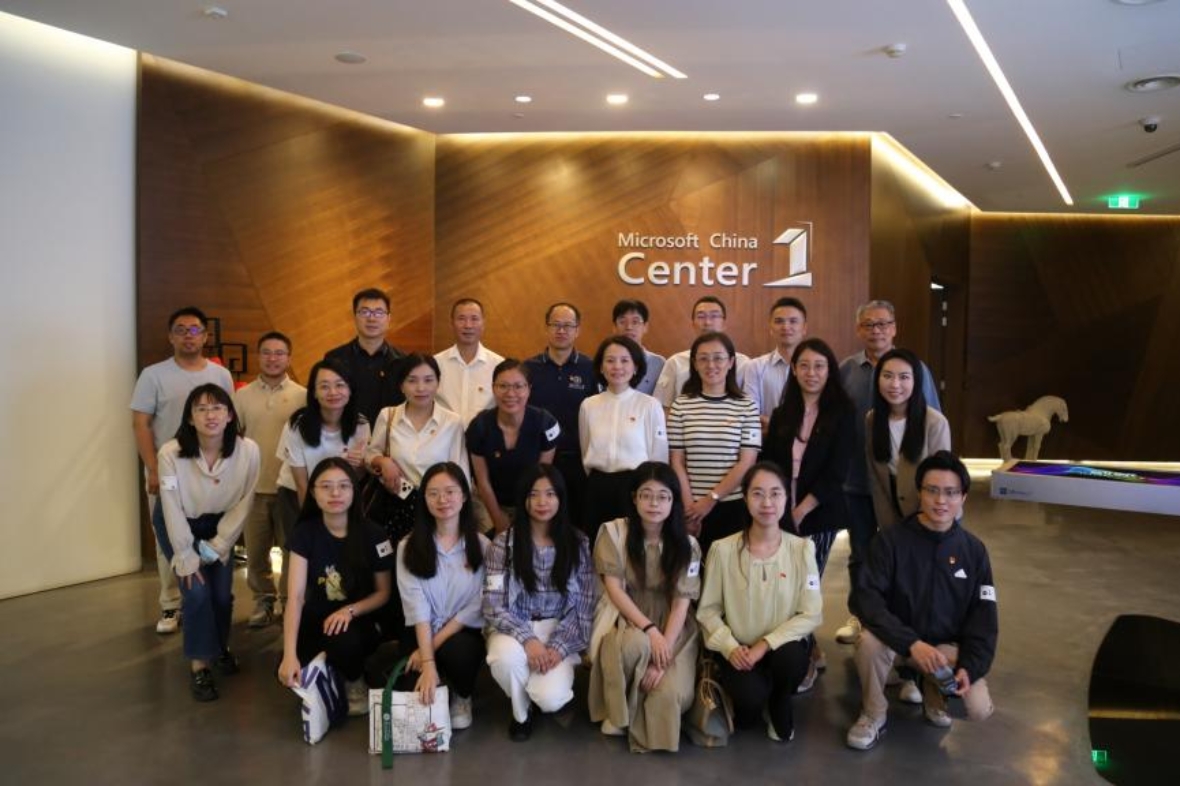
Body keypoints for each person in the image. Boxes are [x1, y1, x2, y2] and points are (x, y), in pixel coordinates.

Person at [846, 451, 997, 751]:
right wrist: (911, 643)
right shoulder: (890, 541)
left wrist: (970, 667)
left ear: (963, 497)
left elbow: (984, 619)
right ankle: (873, 713)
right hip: (896, 644)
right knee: (868, 643)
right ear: (919, 493)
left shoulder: (974, 551)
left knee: (977, 707)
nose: (941, 501)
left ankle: (932, 691)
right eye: (932, 490)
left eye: (951, 492)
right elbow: (865, 599)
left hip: (941, 652)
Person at [836, 299, 943, 647]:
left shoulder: (916, 368)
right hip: (857, 481)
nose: (876, 330)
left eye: (883, 324)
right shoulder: (847, 369)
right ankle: (861, 615)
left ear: (894, 328)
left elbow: (931, 425)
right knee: (861, 553)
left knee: (906, 556)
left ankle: (903, 623)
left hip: (909, 488)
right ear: (859, 329)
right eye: (869, 324)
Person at [697, 462, 822, 743]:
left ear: (786, 498)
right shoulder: (722, 550)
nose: (767, 503)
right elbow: (708, 612)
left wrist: (764, 645)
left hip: (782, 648)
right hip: (739, 650)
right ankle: (756, 699)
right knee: (748, 708)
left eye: (775, 493)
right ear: (745, 498)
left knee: (791, 660)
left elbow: (811, 613)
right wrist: (730, 647)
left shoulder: (802, 549)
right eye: (757, 493)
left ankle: (780, 698)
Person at [132, 306, 235, 634]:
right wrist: (152, 468)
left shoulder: (221, 375)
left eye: (194, 330)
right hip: (167, 471)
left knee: (210, 537)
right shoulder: (153, 375)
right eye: (180, 330)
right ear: (170, 336)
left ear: (205, 336)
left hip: (211, 472)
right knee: (169, 539)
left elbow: (230, 422)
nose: (188, 336)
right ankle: (171, 604)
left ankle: (203, 601)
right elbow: (141, 423)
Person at [155, 384, 260, 702]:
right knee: (197, 591)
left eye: (217, 408)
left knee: (221, 595)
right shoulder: (170, 453)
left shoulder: (248, 450)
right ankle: (200, 665)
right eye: (201, 409)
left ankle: (219, 647)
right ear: (190, 418)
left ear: (230, 415)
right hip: (178, 522)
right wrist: (186, 556)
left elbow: (244, 501)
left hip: (221, 524)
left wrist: (219, 544)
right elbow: (170, 507)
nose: (210, 415)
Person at [587, 462, 700, 753]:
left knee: (669, 695)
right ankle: (620, 711)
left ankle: (639, 712)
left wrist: (663, 654)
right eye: (646, 495)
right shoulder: (614, 532)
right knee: (633, 646)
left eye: (663, 496)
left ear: (674, 501)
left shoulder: (687, 545)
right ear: (634, 498)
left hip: (673, 625)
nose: (654, 503)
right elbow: (615, 589)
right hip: (626, 616)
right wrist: (650, 631)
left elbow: (681, 603)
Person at [761, 337, 854, 690]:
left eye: (819, 366)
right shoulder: (783, 412)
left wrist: (800, 510)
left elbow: (837, 471)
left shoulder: (843, 412)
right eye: (803, 366)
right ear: (794, 370)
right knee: (784, 585)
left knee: (807, 584)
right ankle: (806, 646)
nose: (811, 373)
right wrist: (780, 508)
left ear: (829, 371)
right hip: (782, 512)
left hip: (820, 513)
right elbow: (772, 463)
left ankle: (805, 656)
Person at [862, 347, 952, 705]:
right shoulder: (872, 420)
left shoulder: (934, 422)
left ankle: (922, 677)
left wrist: (923, 528)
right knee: (896, 596)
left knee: (925, 599)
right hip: (893, 525)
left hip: (931, 526)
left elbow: (944, 482)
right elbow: (877, 481)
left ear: (917, 382)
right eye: (887, 376)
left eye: (904, 377)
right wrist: (891, 532)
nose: (895, 384)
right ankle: (900, 665)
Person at [483, 464, 594, 742]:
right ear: (523, 499)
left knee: (550, 698)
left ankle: (536, 693)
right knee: (504, 659)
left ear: (561, 498)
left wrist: (558, 647)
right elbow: (493, 604)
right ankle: (521, 713)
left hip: (560, 629)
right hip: (514, 627)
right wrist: (528, 639)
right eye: (534, 494)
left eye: (550, 494)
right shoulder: (503, 543)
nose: (542, 502)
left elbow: (584, 604)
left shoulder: (578, 542)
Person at [278, 458, 394, 723]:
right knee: (285, 669)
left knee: (344, 640)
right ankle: (332, 669)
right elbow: (295, 597)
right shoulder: (304, 533)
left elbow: (383, 594)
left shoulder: (374, 534)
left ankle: (355, 680)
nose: (335, 493)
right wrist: (289, 654)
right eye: (326, 486)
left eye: (343, 486)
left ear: (354, 491)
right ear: (313, 492)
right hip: (319, 617)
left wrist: (349, 611)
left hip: (360, 619)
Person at [396, 462, 490, 730]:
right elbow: (417, 606)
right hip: (421, 628)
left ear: (464, 496)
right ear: (424, 499)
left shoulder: (483, 546)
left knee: (460, 654)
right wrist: (427, 663)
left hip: (462, 630)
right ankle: (438, 678)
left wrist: (428, 654)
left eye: (450, 491)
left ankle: (462, 694)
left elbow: (478, 604)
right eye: (433, 493)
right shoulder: (408, 546)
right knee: (410, 691)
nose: (442, 500)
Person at [233, 331, 306, 627]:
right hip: (253, 489)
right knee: (256, 552)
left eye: (279, 353)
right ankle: (263, 600)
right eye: (266, 352)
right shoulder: (241, 396)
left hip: (289, 488)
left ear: (289, 358)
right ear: (258, 356)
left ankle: (289, 602)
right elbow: (232, 440)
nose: (272, 358)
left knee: (291, 551)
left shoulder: (302, 395)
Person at [667, 331, 760, 555]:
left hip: (732, 504)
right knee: (693, 569)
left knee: (731, 569)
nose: (711, 365)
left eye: (718, 358)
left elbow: (747, 462)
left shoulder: (747, 406)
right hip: (690, 507)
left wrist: (711, 500)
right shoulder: (681, 406)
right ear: (694, 364)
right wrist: (690, 508)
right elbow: (677, 461)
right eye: (703, 358)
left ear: (731, 362)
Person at [366, 353, 468, 544]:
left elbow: (460, 472)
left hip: (438, 507)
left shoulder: (452, 422)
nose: (421, 388)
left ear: (438, 383)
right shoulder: (388, 415)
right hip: (396, 505)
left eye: (428, 380)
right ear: (401, 385)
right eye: (412, 381)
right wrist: (383, 461)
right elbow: (370, 454)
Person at [578, 336, 668, 533]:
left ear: (636, 367)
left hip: (636, 487)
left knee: (633, 543)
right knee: (597, 542)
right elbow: (585, 447)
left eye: (625, 360)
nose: (617, 366)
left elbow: (659, 456)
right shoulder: (589, 405)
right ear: (601, 367)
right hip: (597, 486)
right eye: (610, 360)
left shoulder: (649, 405)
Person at [523, 303, 598, 530]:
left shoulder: (591, 368)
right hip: (539, 459)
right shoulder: (528, 368)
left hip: (578, 462)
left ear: (577, 330)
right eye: (556, 324)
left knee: (577, 524)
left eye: (568, 325)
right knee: (541, 523)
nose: (561, 330)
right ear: (546, 328)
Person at [466, 359, 560, 534]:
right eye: (503, 386)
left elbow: (541, 479)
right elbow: (482, 481)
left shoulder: (546, 424)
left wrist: (525, 518)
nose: (510, 393)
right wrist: (498, 519)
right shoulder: (479, 427)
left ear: (529, 389)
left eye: (518, 386)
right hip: (489, 502)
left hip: (532, 501)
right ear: (493, 388)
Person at [324, 288, 405, 425]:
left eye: (379, 312)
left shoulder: (402, 361)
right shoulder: (334, 359)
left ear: (388, 318)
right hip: (346, 433)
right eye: (365, 312)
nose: (371, 318)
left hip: (388, 434)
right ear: (355, 317)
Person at [654, 296, 751, 409]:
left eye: (714, 316)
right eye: (701, 316)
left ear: (724, 323)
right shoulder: (675, 362)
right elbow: (661, 407)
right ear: (693, 324)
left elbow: (750, 405)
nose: (707, 322)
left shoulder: (744, 363)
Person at [434, 298, 505, 427]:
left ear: (483, 323)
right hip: (443, 437)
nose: (468, 325)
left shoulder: (499, 365)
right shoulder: (435, 364)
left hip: (483, 438)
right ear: (452, 323)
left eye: (474, 319)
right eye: (461, 319)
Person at [742, 297, 809, 430]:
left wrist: (774, 424)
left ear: (804, 328)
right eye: (779, 321)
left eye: (793, 321)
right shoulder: (755, 367)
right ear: (771, 328)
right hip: (768, 441)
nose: (786, 327)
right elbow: (751, 415)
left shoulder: (817, 368)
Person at [612, 299, 665, 395]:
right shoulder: (606, 362)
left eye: (635, 322)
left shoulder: (659, 364)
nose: (629, 327)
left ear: (645, 327)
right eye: (622, 322)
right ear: (614, 327)